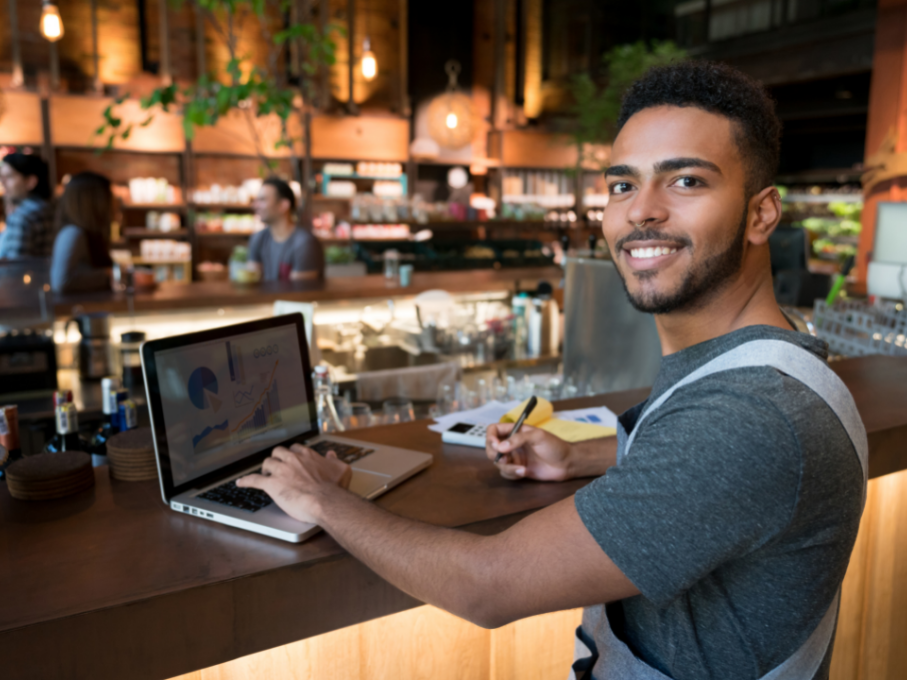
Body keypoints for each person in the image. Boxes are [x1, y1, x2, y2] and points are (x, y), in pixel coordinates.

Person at [236, 62, 865, 680]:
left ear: (762, 214)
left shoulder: (749, 416)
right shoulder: (771, 361)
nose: (642, 210)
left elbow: (489, 586)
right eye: (622, 185)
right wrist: (584, 454)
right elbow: (716, 479)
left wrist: (322, 498)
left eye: (686, 182)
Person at [247, 177, 324, 282]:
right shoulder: (258, 238)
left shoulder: (305, 243)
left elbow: (300, 293)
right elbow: (252, 282)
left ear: (283, 205)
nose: (255, 205)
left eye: (262, 200)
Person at [50, 172, 114, 293]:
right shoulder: (72, 234)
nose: (112, 204)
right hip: (78, 309)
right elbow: (60, 282)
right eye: (108, 197)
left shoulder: (85, 233)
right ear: (93, 202)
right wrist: (109, 275)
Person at [0, 152, 54, 260]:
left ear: (31, 181)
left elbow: (14, 266)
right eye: (2, 177)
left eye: (9, 177)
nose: (3, 183)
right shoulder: (51, 209)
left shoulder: (22, 215)